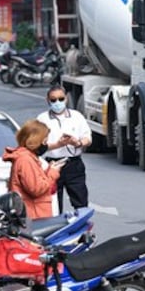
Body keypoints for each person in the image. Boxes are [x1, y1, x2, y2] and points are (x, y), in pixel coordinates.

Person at [37, 85, 92, 213]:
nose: (58, 103)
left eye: (61, 99)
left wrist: (76, 142)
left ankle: (83, 231)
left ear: (66, 99)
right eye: (54, 100)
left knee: (81, 201)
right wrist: (58, 144)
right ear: (48, 100)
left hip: (73, 164)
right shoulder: (42, 119)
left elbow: (88, 139)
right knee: (54, 204)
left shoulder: (76, 116)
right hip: (52, 165)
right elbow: (39, 146)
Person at [2, 119, 65, 219]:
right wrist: (53, 173)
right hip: (34, 216)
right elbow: (36, 189)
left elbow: (34, 180)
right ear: (36, 141)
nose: (46, 144)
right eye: (45, 141)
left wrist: (49, 170)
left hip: (34, 214)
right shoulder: (25, 160)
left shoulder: (28, 157)